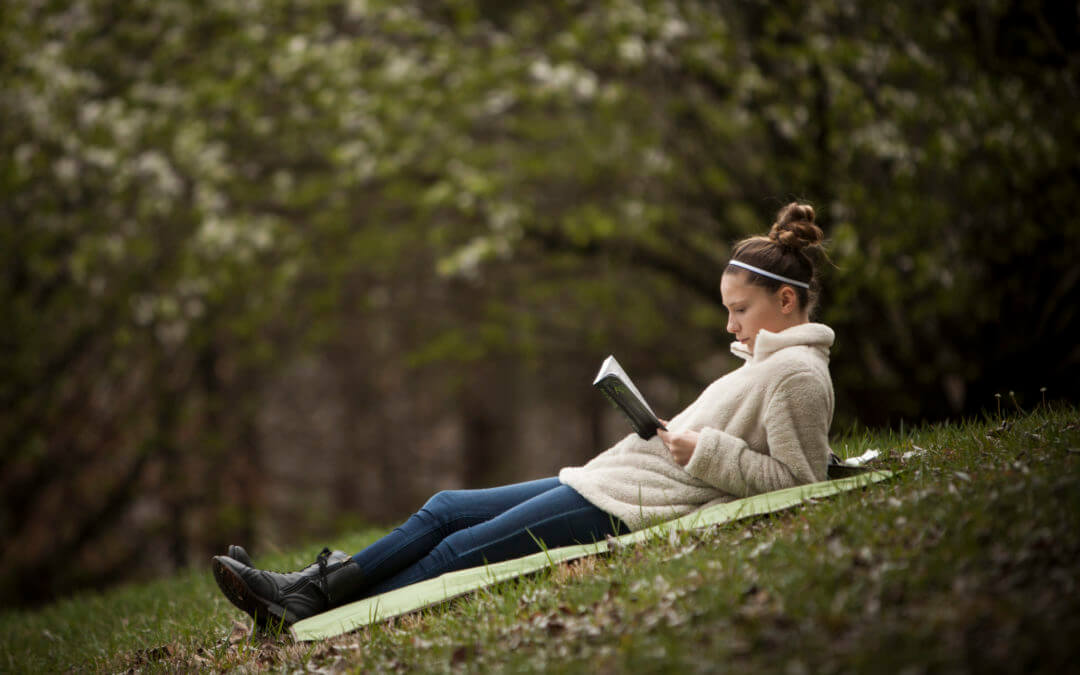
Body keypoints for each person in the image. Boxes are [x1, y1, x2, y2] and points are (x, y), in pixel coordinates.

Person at [212, 202, 835, 628]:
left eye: (740, 310)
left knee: (458, 551)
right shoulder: (767, 364)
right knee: (444, 508)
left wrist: (701, 450)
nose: (730, 324)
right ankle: (303, 590)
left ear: (785, 301)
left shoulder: (798, 375)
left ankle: (307, 607)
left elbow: (797, 484)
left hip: (630, 504)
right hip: (611, 480)